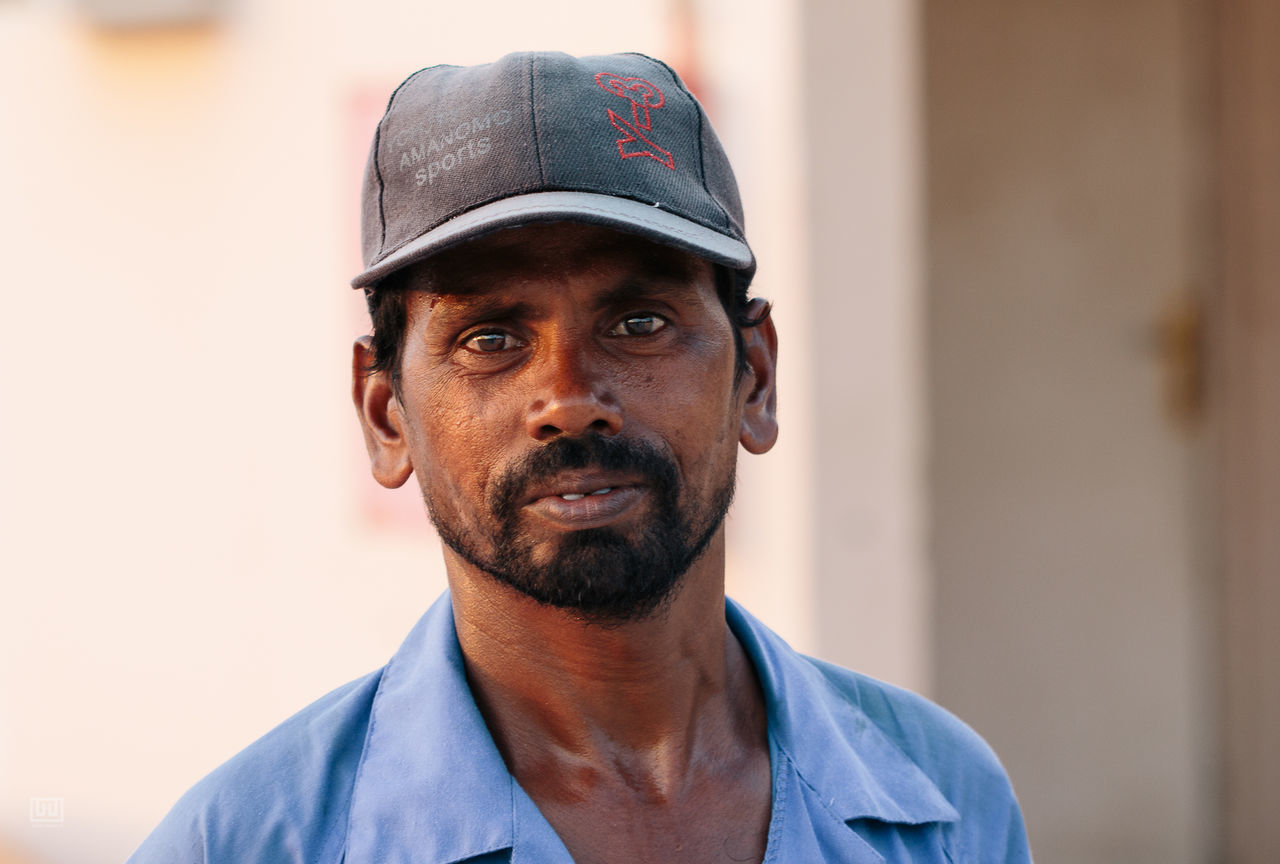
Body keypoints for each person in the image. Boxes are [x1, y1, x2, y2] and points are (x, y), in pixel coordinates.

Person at [129, 51, 1032, 863]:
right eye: (488, 338)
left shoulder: (945, 804)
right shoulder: (245, 845)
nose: (567, 399)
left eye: (640, 324)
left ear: (754, 377)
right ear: (386, 415)